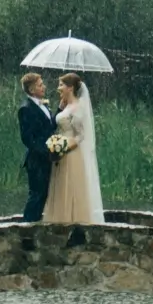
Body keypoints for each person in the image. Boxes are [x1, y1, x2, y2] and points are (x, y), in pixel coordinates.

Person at [42, 71, 105, 225]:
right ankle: (59, 222)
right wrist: (56, 144)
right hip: (60, 153)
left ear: (70, 88)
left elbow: (80, 135)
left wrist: (65, 145)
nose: (59, 88)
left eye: (61, 85)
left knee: (71, 187)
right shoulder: (65, 106)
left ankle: (73, 222)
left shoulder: (78, 107)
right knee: (60, 187)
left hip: (71, 152)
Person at [17, 72, 57, 222]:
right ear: (32, 90)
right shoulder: (26, 109)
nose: (44, 87)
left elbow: (50, 126)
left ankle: (35, 226)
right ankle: (26, 230)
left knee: (44, 194)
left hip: (47, 159)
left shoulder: (43, 105)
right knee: (36, 195)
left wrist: (59, 109)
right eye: (40, 85)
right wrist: (47, 151)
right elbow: (27, 139)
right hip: (36, 160)